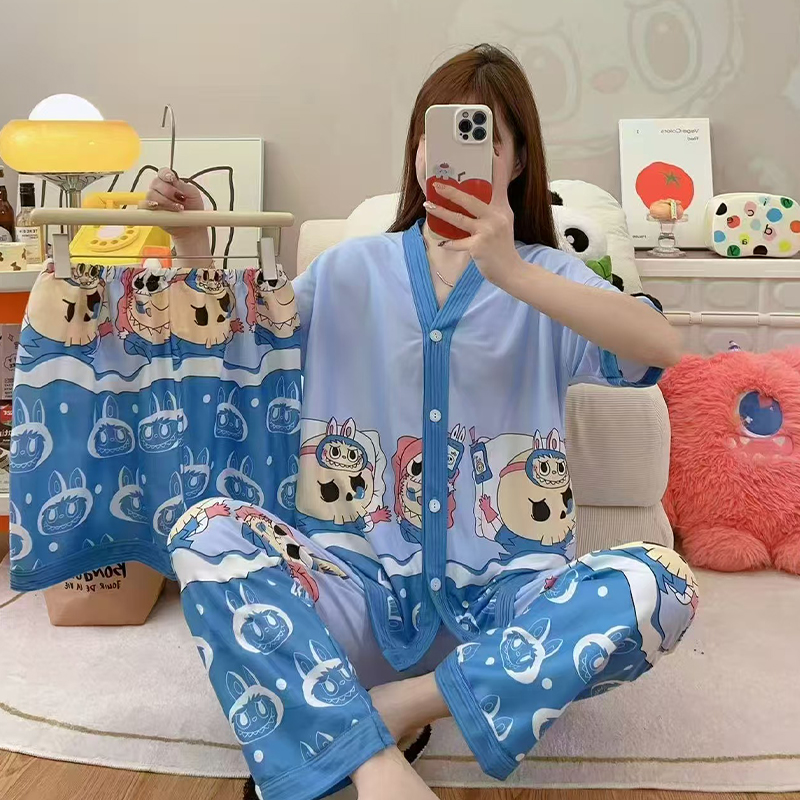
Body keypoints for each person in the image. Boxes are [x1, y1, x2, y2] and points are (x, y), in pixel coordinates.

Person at [146, 44, 697, 800]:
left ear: (517, 159)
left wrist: (511, 271)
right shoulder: (349, 269)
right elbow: (240, 346)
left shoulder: (549, 279)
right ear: (415, 151)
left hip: (510, 615)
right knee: (203, 531)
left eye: (483, 136)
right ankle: (376, 761)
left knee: (662, 585)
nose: (452, 154)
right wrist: (194, 247)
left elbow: (658, 349)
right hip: (353, 596)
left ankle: (394, 710)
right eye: (435, 135)